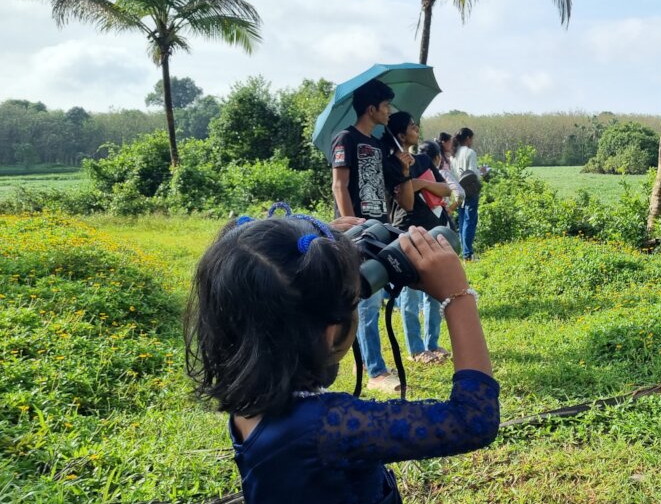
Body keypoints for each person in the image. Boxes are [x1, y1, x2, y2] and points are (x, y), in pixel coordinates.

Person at [184, 213, 498, 504]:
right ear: (332, 332)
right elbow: (473, 419)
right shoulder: (327, 428)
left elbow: (265, 273)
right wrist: (457, 297)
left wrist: (325, 253)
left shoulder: (252, 399)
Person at [330, 78, 412, 394]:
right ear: (371, 108)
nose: (389, 111)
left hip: (379, 230)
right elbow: (339, 184)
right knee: (368, 302)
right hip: (357, 233)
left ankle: (362, 359)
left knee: (368, 299)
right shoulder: (345, 139)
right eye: (386, 106)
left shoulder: (378, 145)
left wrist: (403, 166)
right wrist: (354, 229)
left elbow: (395, 189)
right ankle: (376, 372)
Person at [383, 113, 454, 364]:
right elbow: (406, 203)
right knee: (410, 294)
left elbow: (445, 189)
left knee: (435, 290)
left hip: (433, 230)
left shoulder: (423, 160)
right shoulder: (389, 164)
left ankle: (432, 342)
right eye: (412, 127)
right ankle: (416, 348)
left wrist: (419, 183)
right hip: (406, 231)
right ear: (401, 135)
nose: (417, 129)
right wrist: (405, 175)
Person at [452, 127, 481, 260]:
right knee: (470, 221)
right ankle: (468, 254)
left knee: (462, 221)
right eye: (472, 139)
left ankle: (464, 251)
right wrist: (483, 172)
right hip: (470, 190)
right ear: (468, 138)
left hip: (458, 191)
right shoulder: (470, 152)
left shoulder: (454, 153)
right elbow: (473, 174)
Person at [434, 132, 464, 214]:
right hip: (443, 205)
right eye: (450, 142)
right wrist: (450, 209)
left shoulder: (443, 160)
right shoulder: (443, 167)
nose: (452, 145)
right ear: (444, 143)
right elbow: (460, 194)